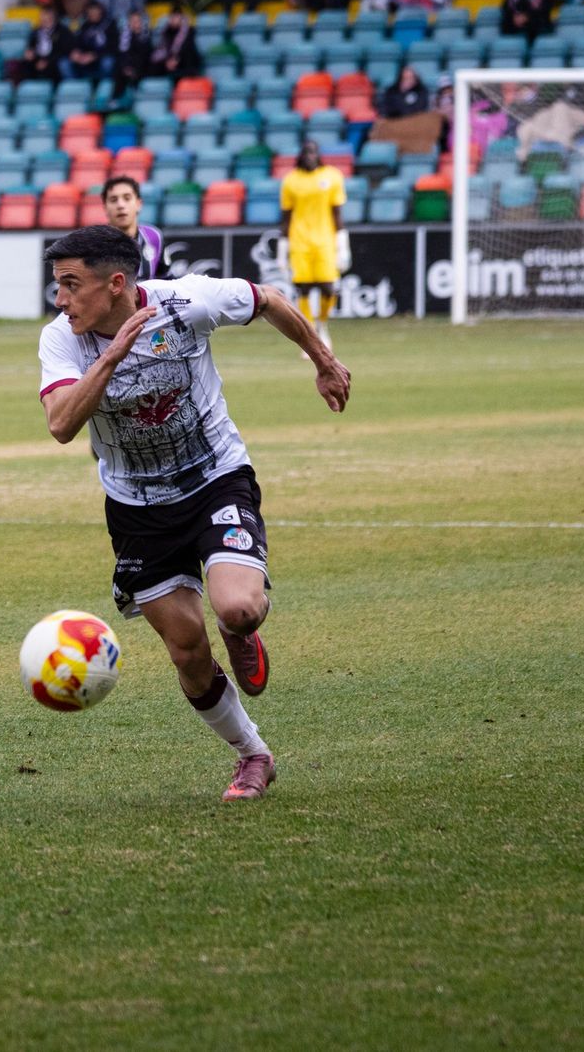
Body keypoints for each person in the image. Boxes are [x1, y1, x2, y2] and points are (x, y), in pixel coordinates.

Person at [37, 225, 351, 801]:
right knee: (186, 649)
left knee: (238, 606)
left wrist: (324, 362)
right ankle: (253, 755)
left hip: (214, 479)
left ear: (115, 283)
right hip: (137, 508)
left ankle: (240, 628)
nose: (60, 299)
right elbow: (60, 425)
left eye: (70, 285)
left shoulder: (188, 302)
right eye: (57, 286)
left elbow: (270, 300)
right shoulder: (62, 339)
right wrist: (112, 356)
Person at [278, 140, 348, 349]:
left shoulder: (332, 177)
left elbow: (337, 215)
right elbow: (286, 218)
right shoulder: (291, 181)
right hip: (300, 242)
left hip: (325, 241)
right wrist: (282, 252)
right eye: (307, 152)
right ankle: (310, 336)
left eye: (314, 152)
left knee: (329, 287)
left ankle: (322, 324)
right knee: (304, 289)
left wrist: (344, 246)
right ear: (301, 155)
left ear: (319, 155)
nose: (310, 156)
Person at [102, 176, 167, 282]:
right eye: (113, 200)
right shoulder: (96, 244)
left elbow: (166, 279)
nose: (121, 205)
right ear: (105, 207)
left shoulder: (154, 236)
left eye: (127, 198)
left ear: (138, 204)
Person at [13, 4, 71, 85]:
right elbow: (31, 47)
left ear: (53, 17)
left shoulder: (63, 32)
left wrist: (47, 61)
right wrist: (29, 53)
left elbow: (64, 51)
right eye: (43, 17)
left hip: (53, 60)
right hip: (37, 59)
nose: (44, 20)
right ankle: (25, 89)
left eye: (47, 17)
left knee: (59, 65)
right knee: (21, 64)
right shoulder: (36, 32)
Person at [64, 1, 114, 82]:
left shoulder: (110, 25)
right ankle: (77, 87)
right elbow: (78, 43)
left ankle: (104, 86)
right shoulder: (84, 26)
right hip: (85, 59)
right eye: (90, 11)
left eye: (95, 11)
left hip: (101, 58)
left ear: (100, 11)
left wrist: (95, 56)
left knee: (108, 62)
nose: (92, 14)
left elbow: (112, 47)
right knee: (65, 63)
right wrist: (76, 52)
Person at [149, 6, 200, 80]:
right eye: (172, 17)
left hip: (184, 62)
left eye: (176, 17)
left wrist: (176, 59)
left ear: (181, 18)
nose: (174, 19)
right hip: (170, 62)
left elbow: (186, 48)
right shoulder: (167, 32)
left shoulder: (189, 31)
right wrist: (168, 61)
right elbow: (164, 49)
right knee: (154, 63)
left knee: (188, 54)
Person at [112, 9, 150, 99]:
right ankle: (116, 99)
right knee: (120, 68)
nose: (135, 24)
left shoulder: (147, 35)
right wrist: (126, 67)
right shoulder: (124, 36)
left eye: (137, 21)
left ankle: (135, 95)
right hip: (128, 66)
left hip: (143, 65)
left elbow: (146, 54)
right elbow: (122, 54)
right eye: (132, 21)